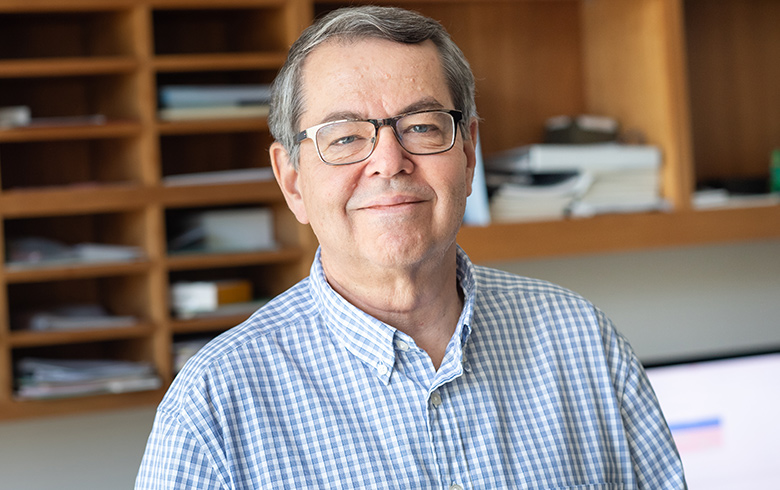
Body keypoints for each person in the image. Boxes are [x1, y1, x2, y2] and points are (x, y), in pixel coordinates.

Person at [136, 6, 686, 489]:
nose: (389, 161)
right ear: (293, 180)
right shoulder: (212, 408)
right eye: (346, 136)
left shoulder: (583, 342)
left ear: (468, 153)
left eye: (422, 127)